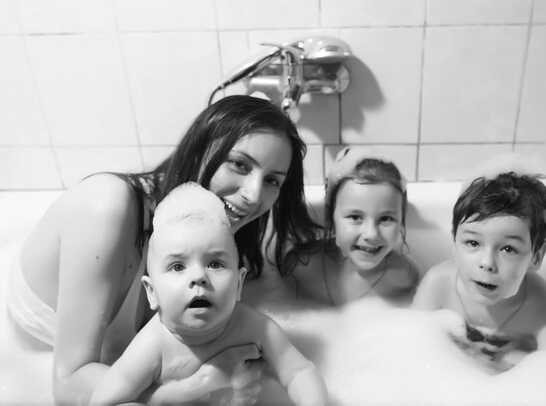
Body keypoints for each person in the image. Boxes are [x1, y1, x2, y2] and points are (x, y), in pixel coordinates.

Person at [6, 95, 321, 405]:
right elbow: (68, 383)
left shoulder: (220, 230)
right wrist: (194, 387)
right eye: (239, 164)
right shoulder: (104, 210)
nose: (254, 195)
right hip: (33, 342)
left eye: (272, 181)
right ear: (199, 150)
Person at [91, 183, 327, 406]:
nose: (199, 276)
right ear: (152, 293)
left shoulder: (256, 328)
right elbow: (104, 402)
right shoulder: (153, 346)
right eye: (177, 267)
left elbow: (298, 372)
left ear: (238, 284)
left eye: (215, 264)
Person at [412, 155, 546, 372]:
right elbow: (411, 349)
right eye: (473, 242)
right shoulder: (438, 284)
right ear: (454, 241)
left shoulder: (543, 307)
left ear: (536, 256)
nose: (487, 263)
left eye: (508, 249)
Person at [291, 146, 420, 306]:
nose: (371, 234)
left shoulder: (402, 276)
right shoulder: (301, 267)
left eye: (386, 218)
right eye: (355, 217)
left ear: (401, 220)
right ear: (332, 219)